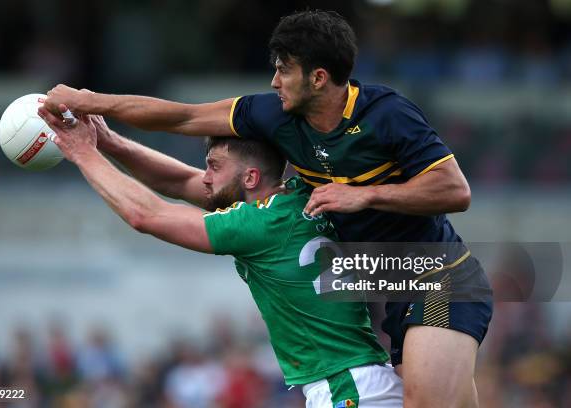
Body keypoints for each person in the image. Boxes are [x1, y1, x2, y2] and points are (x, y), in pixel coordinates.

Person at [44, 10, 492, 407]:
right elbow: (180, 122)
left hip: (435, 275)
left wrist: (365, 195)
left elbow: (456, 191)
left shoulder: (386, 114)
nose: (274, 80)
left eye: (284, 70)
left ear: (318, 78)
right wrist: (95, 110)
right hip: (389, 291)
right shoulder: (280, 142)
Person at [37, 106, 403, 407]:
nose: (205, 177)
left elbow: (146, 215)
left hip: (347, 388)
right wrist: (109, 142)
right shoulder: (297, 194)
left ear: (250, 178)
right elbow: (177, 182)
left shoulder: (256, 224)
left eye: (214, 166)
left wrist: (82, 153)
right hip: (358, 378)